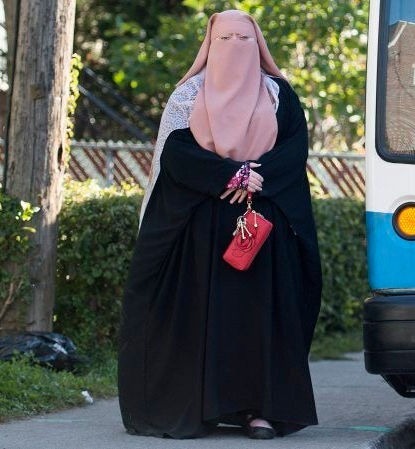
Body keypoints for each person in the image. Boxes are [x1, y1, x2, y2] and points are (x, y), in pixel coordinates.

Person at [117, 9, 322, 440]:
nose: (235, 48)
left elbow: (294, 148)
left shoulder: (279, 94)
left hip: (263, 232)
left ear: (259, 45)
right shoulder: (188, 95)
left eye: (244, 39)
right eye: (225, 39)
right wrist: (228, 175)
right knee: (198, 319)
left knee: (260, 323)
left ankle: (260, 411)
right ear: (209, 45)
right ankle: (199, 409)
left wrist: (255, 177)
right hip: (199, 235)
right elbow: (175, 154)